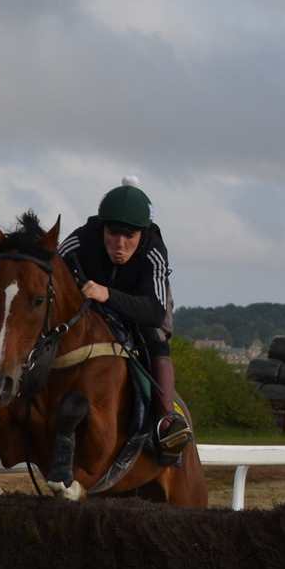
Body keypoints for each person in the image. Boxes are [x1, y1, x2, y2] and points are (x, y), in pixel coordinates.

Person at [59, 178, 192, 460]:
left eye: (129, 236)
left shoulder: (154, 250)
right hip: (89, 306)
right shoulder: (80, 239)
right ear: (102, 228)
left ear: (142, 233)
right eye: (113, 233)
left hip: (144, 306)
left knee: (155, 338)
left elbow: (155, 311)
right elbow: (50, 270)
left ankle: (166, 423)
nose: (119, 244)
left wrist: (107, 294)